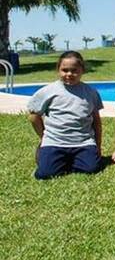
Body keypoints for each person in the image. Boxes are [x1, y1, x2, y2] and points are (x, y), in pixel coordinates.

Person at [27, 51, 103, 179]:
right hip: (55, 141)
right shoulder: (48, 91)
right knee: (45, 174)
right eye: (65, 70)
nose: (69, 74)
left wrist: (98, 146)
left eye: (74, 70)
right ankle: (44, 152)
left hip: (83, 142)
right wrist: (43, 136)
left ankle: (69, 160)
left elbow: (96, 121)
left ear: (82, 70)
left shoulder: (91, 92)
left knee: (92, 168)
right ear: (58, 70)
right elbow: (33, 116)